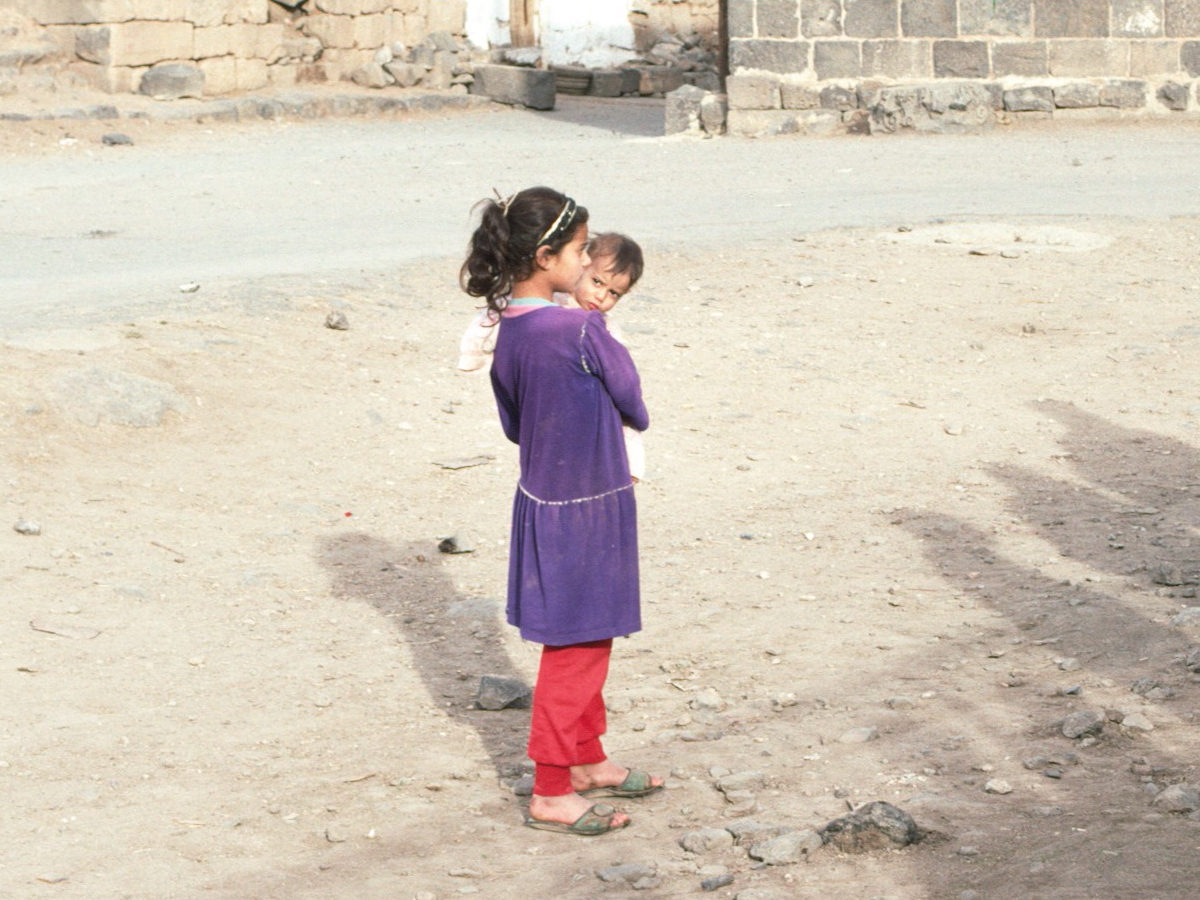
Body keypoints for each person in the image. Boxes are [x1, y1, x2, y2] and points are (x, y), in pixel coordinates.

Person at [460, 187, 663, 836]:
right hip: (589, 506)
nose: (586, 267)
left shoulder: (509, 330)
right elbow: (634, 401)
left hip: (543, 499)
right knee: (576, 648)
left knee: (586, 634)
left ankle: (586, 758)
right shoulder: (579, 327)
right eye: (580, 252)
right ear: (546, 255)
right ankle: (552, 788)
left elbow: (516, 424)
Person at [456, 232, 647, 480]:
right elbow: (501, 310)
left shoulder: (605, 329)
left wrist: (637, 416)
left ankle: (629, 471)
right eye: (597, 282)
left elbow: (623, 380)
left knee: (622, 428)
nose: (601, 296)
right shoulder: (552, 302)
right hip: (550, 409)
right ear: (583, 265)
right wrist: (473, 352)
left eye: (614, 293)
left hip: (588, 413)